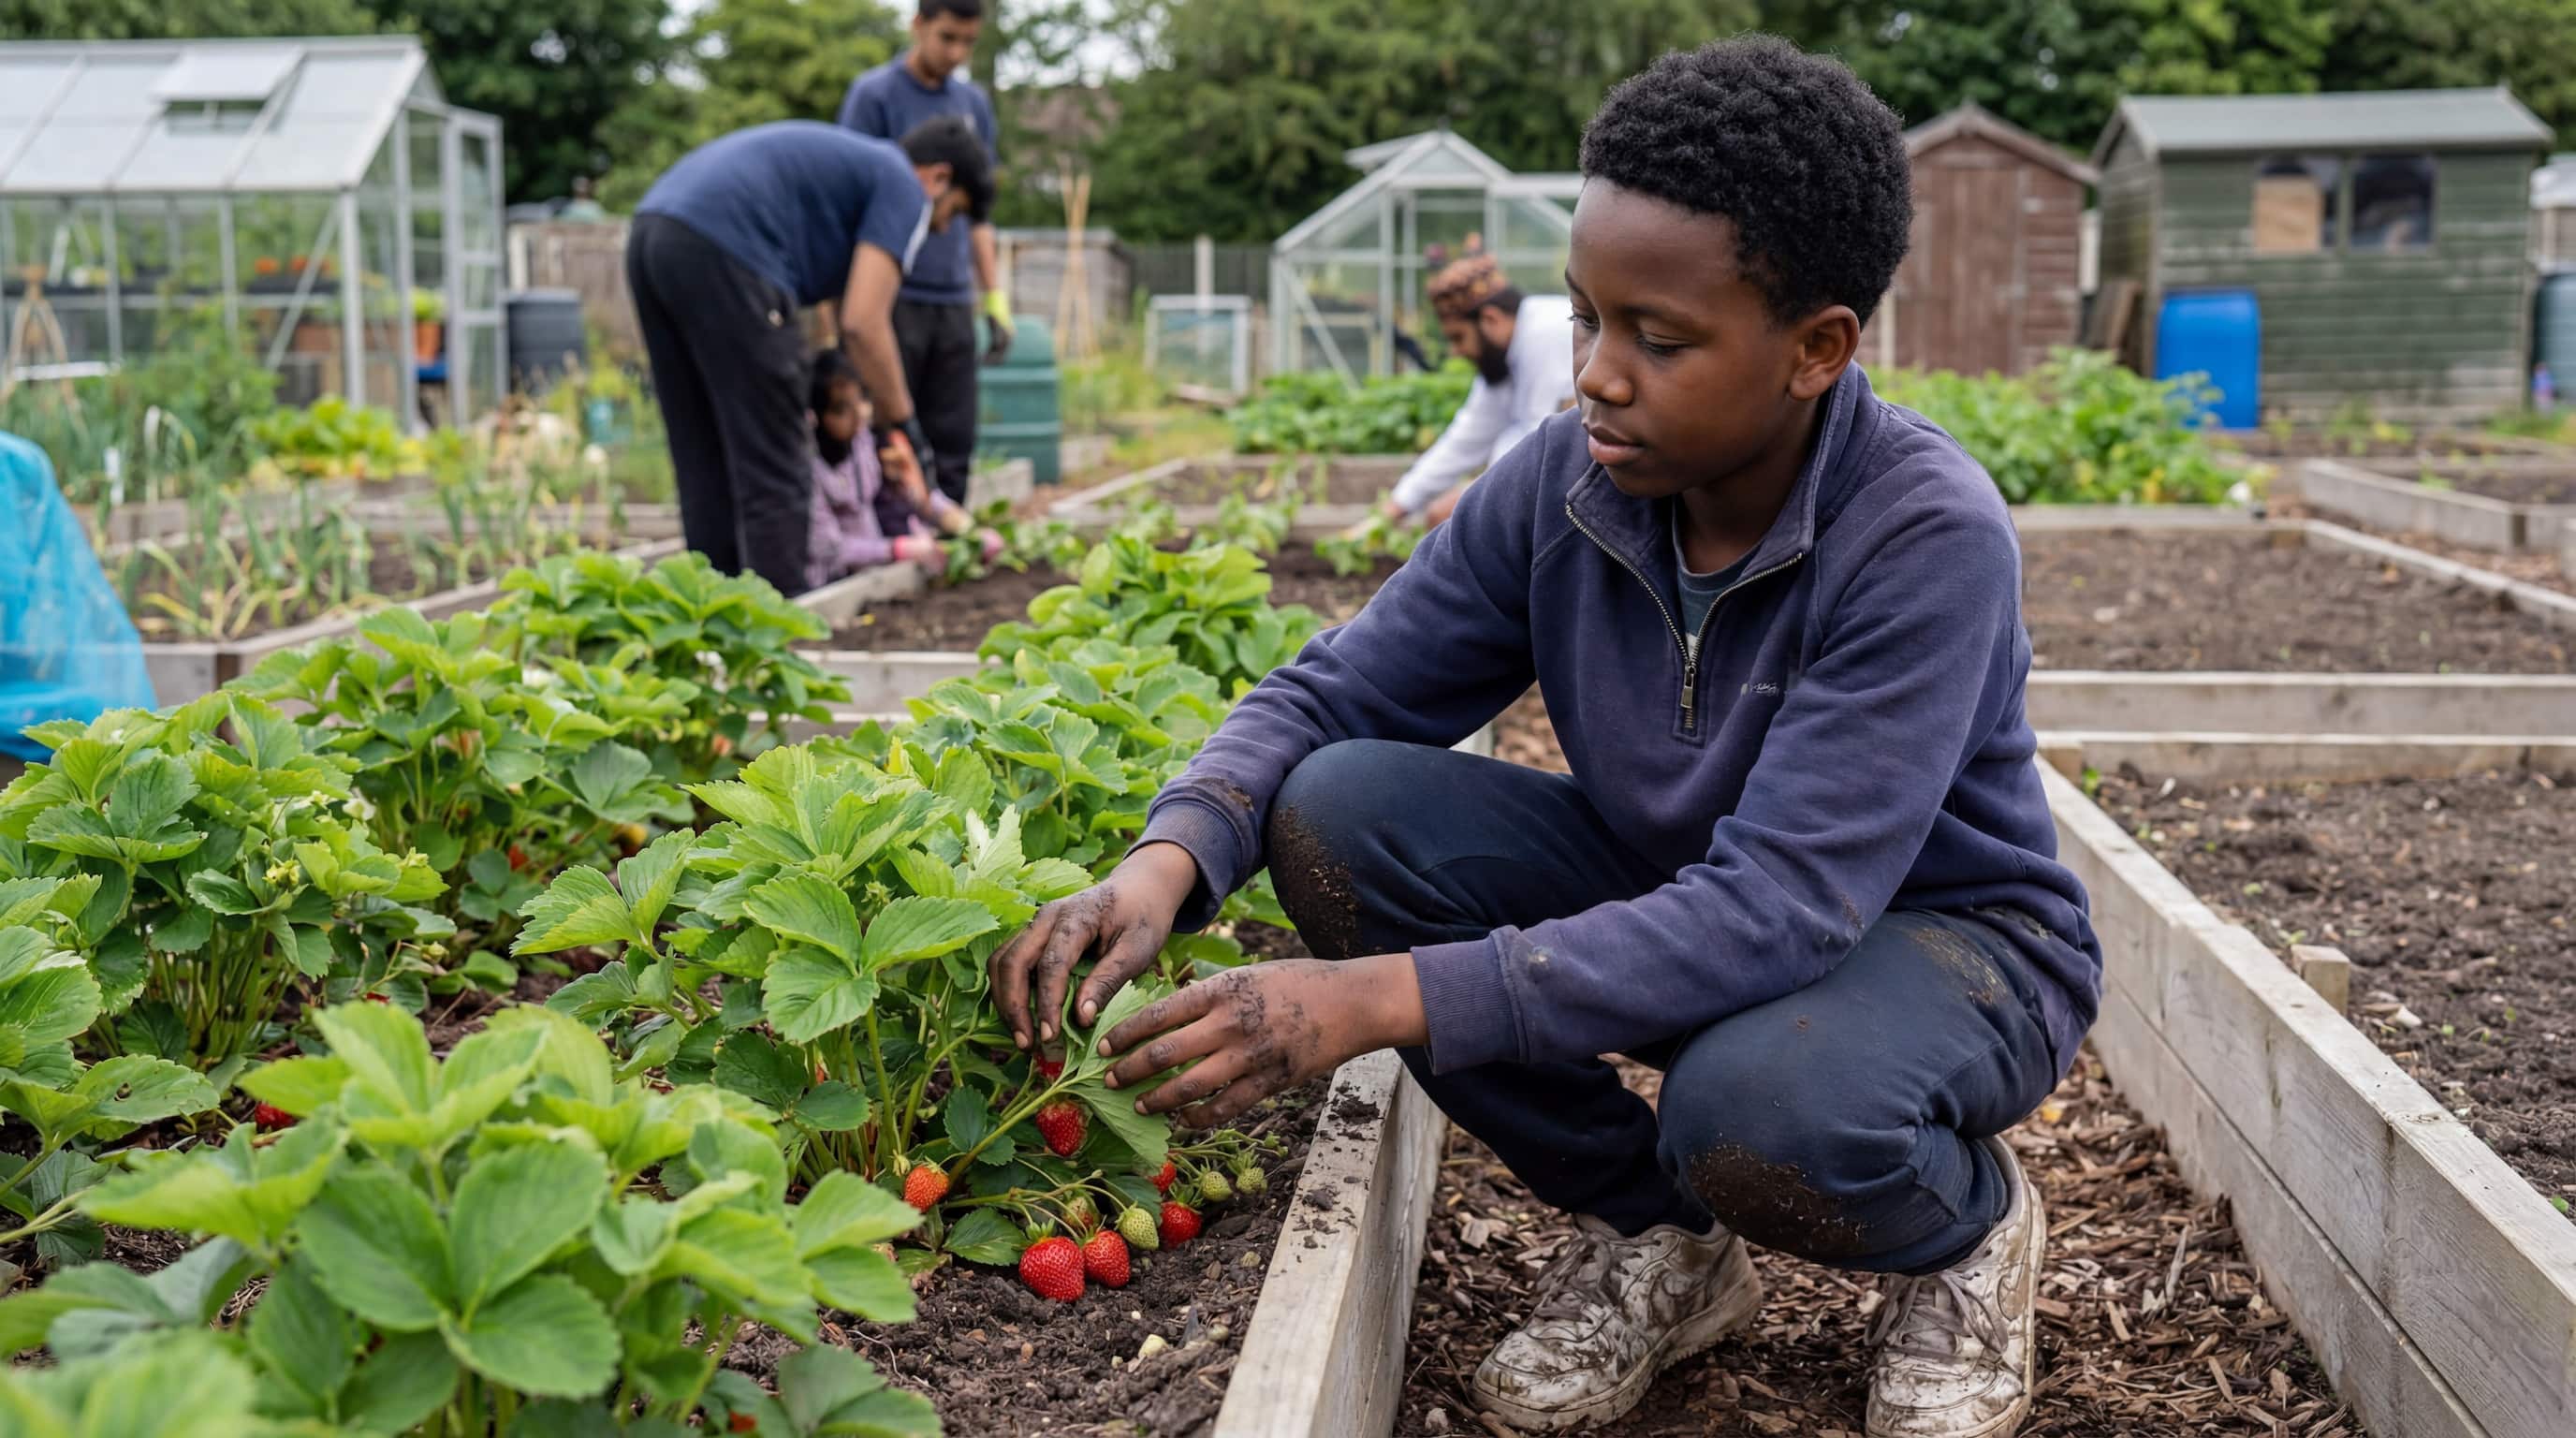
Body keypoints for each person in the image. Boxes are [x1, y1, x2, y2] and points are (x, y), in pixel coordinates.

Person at [990, 37, 2099, 1438]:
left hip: (1945, 945)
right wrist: (1165, 861)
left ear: (1816, 349)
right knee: (1336, 813)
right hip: (1696, 894)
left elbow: (1781, 904)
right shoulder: (1568, 489)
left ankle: (1967, 1231)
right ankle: (1661, 1239)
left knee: (1758, 1110)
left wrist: (1375, 1000)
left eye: (1658, 339)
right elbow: (1336, 693)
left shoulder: (1921, 534)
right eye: (1584, 319)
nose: (1595, 377)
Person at [627, 117, 991, 596]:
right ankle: (780, 628)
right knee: (776, 463)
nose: (943, 228)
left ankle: (711, 614)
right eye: (953, 212)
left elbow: (842, 313)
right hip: (728, 247)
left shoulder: (856, 169)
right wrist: (904, 428)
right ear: (939, 177)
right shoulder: (902, 183)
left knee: (704, 453)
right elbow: (863, 323)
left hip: (653, 230)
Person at [839, 0, 1007, 509]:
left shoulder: (973, 105)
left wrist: (994, 298)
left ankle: (947, 536)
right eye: (947, 38)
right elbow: (851, 197)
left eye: (968, 42)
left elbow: (978, 212)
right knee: (888, 427)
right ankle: (886, 534)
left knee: (954, 434)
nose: (956, 53)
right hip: (892, 296)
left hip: (953, 298)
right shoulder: (875, 96)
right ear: (918, 26)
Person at [1372, 252, 1577, 529]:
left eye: (1458, 337)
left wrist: (1471, 496)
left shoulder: (1545, 334)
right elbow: (1467, 437)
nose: (1456, 352)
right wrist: (1395, 508)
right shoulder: (1502, 358)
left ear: (1491, 319)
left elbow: (1540, 445)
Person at [806, 347, 1001, 591]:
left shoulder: (865, 443)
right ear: (816, 416)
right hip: (832, 584)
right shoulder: (808, 470)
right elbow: (828, 549)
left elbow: (914, 494)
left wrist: (958, 520)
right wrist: (896, 549)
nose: (858, 416)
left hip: (875, 573)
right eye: (841, 409)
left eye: (861, 400)